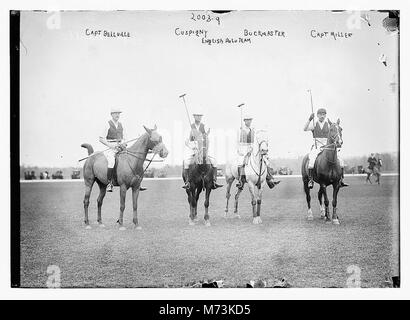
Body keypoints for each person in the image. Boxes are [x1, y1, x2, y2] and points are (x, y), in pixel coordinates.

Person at [99, 107, 146, 192]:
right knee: (111, 161)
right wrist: (111, 145)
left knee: (132, 159)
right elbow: (101, 138)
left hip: (120, 147)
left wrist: (123, 144)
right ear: (112, 114)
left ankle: (138, 182)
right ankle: (109, 183)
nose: (118, 115)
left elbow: (125, 138)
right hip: (110, 147)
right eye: (116, 113)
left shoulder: (121, 125)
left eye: (119, 113)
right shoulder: (107, 124)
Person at [303, 108, 348, 189]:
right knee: (311, 161)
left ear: (325, 115)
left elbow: (336, 130)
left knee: (341, 161)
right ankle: (310, 180)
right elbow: (305, 129)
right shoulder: (314, 124)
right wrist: (309, 119)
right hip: (317, 146)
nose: (322, 116)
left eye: (324, 114)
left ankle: (341, 180)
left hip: (327, 146)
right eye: (320, 114)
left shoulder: (328, 125)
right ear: (317, 115)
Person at [236, 116, 279, 190]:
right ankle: (241, 180)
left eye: (249, 120)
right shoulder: (242, 130)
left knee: (266, 159)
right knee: (241, 161)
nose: (248, 122)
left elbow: (256, 140)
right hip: (245, 149)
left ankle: (269, 178)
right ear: (245, 121)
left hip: (253, 148)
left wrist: (254, 147)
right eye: (247, 120)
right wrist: (244, 149)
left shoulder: (253, 130)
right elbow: (240, 142)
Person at [182, 111, 223, 190]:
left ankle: (214, 181)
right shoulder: (191, 127)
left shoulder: (204, 126)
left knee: (214, 161)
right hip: (193, 149)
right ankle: (187, 182)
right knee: (186, 162)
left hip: (203, 149)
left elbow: (207, 139)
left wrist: (204, 146)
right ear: (194, 117)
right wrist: (193, 146)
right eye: (197, 116)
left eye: (200, 116)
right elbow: (187, 141)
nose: (199, 117)